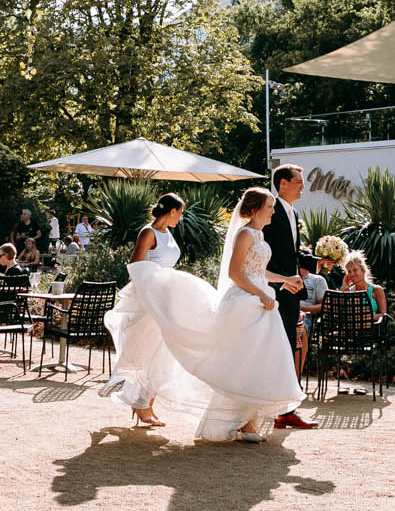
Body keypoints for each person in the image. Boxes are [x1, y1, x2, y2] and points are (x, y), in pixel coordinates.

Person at [99, 187, 308, 441]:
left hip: (260, 299)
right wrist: (261, 294)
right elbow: (236, 273)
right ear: (254, 209)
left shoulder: (259, 235)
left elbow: (256, 270)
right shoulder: (244, 235)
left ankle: (247, 418)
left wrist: (284, 279)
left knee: (258, 360)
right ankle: (144, 400)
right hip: (232, 299)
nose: (273, 211)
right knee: (157, 347)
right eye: (269, 207)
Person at [98, 193, 188, 427]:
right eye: (180, 212)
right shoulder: (149, 232)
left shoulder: (169, 233)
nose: (181, 217)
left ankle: (144, 402)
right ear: (171, 211)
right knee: (152, 351)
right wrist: (157, 285)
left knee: (163, 352)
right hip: (150, 299)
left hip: (167, 298)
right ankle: (142, 403)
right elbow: (136, 266)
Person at [261, 164, 318, 426]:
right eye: (298, 182)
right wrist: (280, 283)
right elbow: (263, 254)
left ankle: (284, 409)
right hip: (275, 291)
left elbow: (291, 253)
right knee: (279, 347)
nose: (302, 187)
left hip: (292, 290)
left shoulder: (293, 212)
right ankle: (278, 409)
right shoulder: (270, 213)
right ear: (282, 183)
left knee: (288, 346)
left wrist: (317, 262)